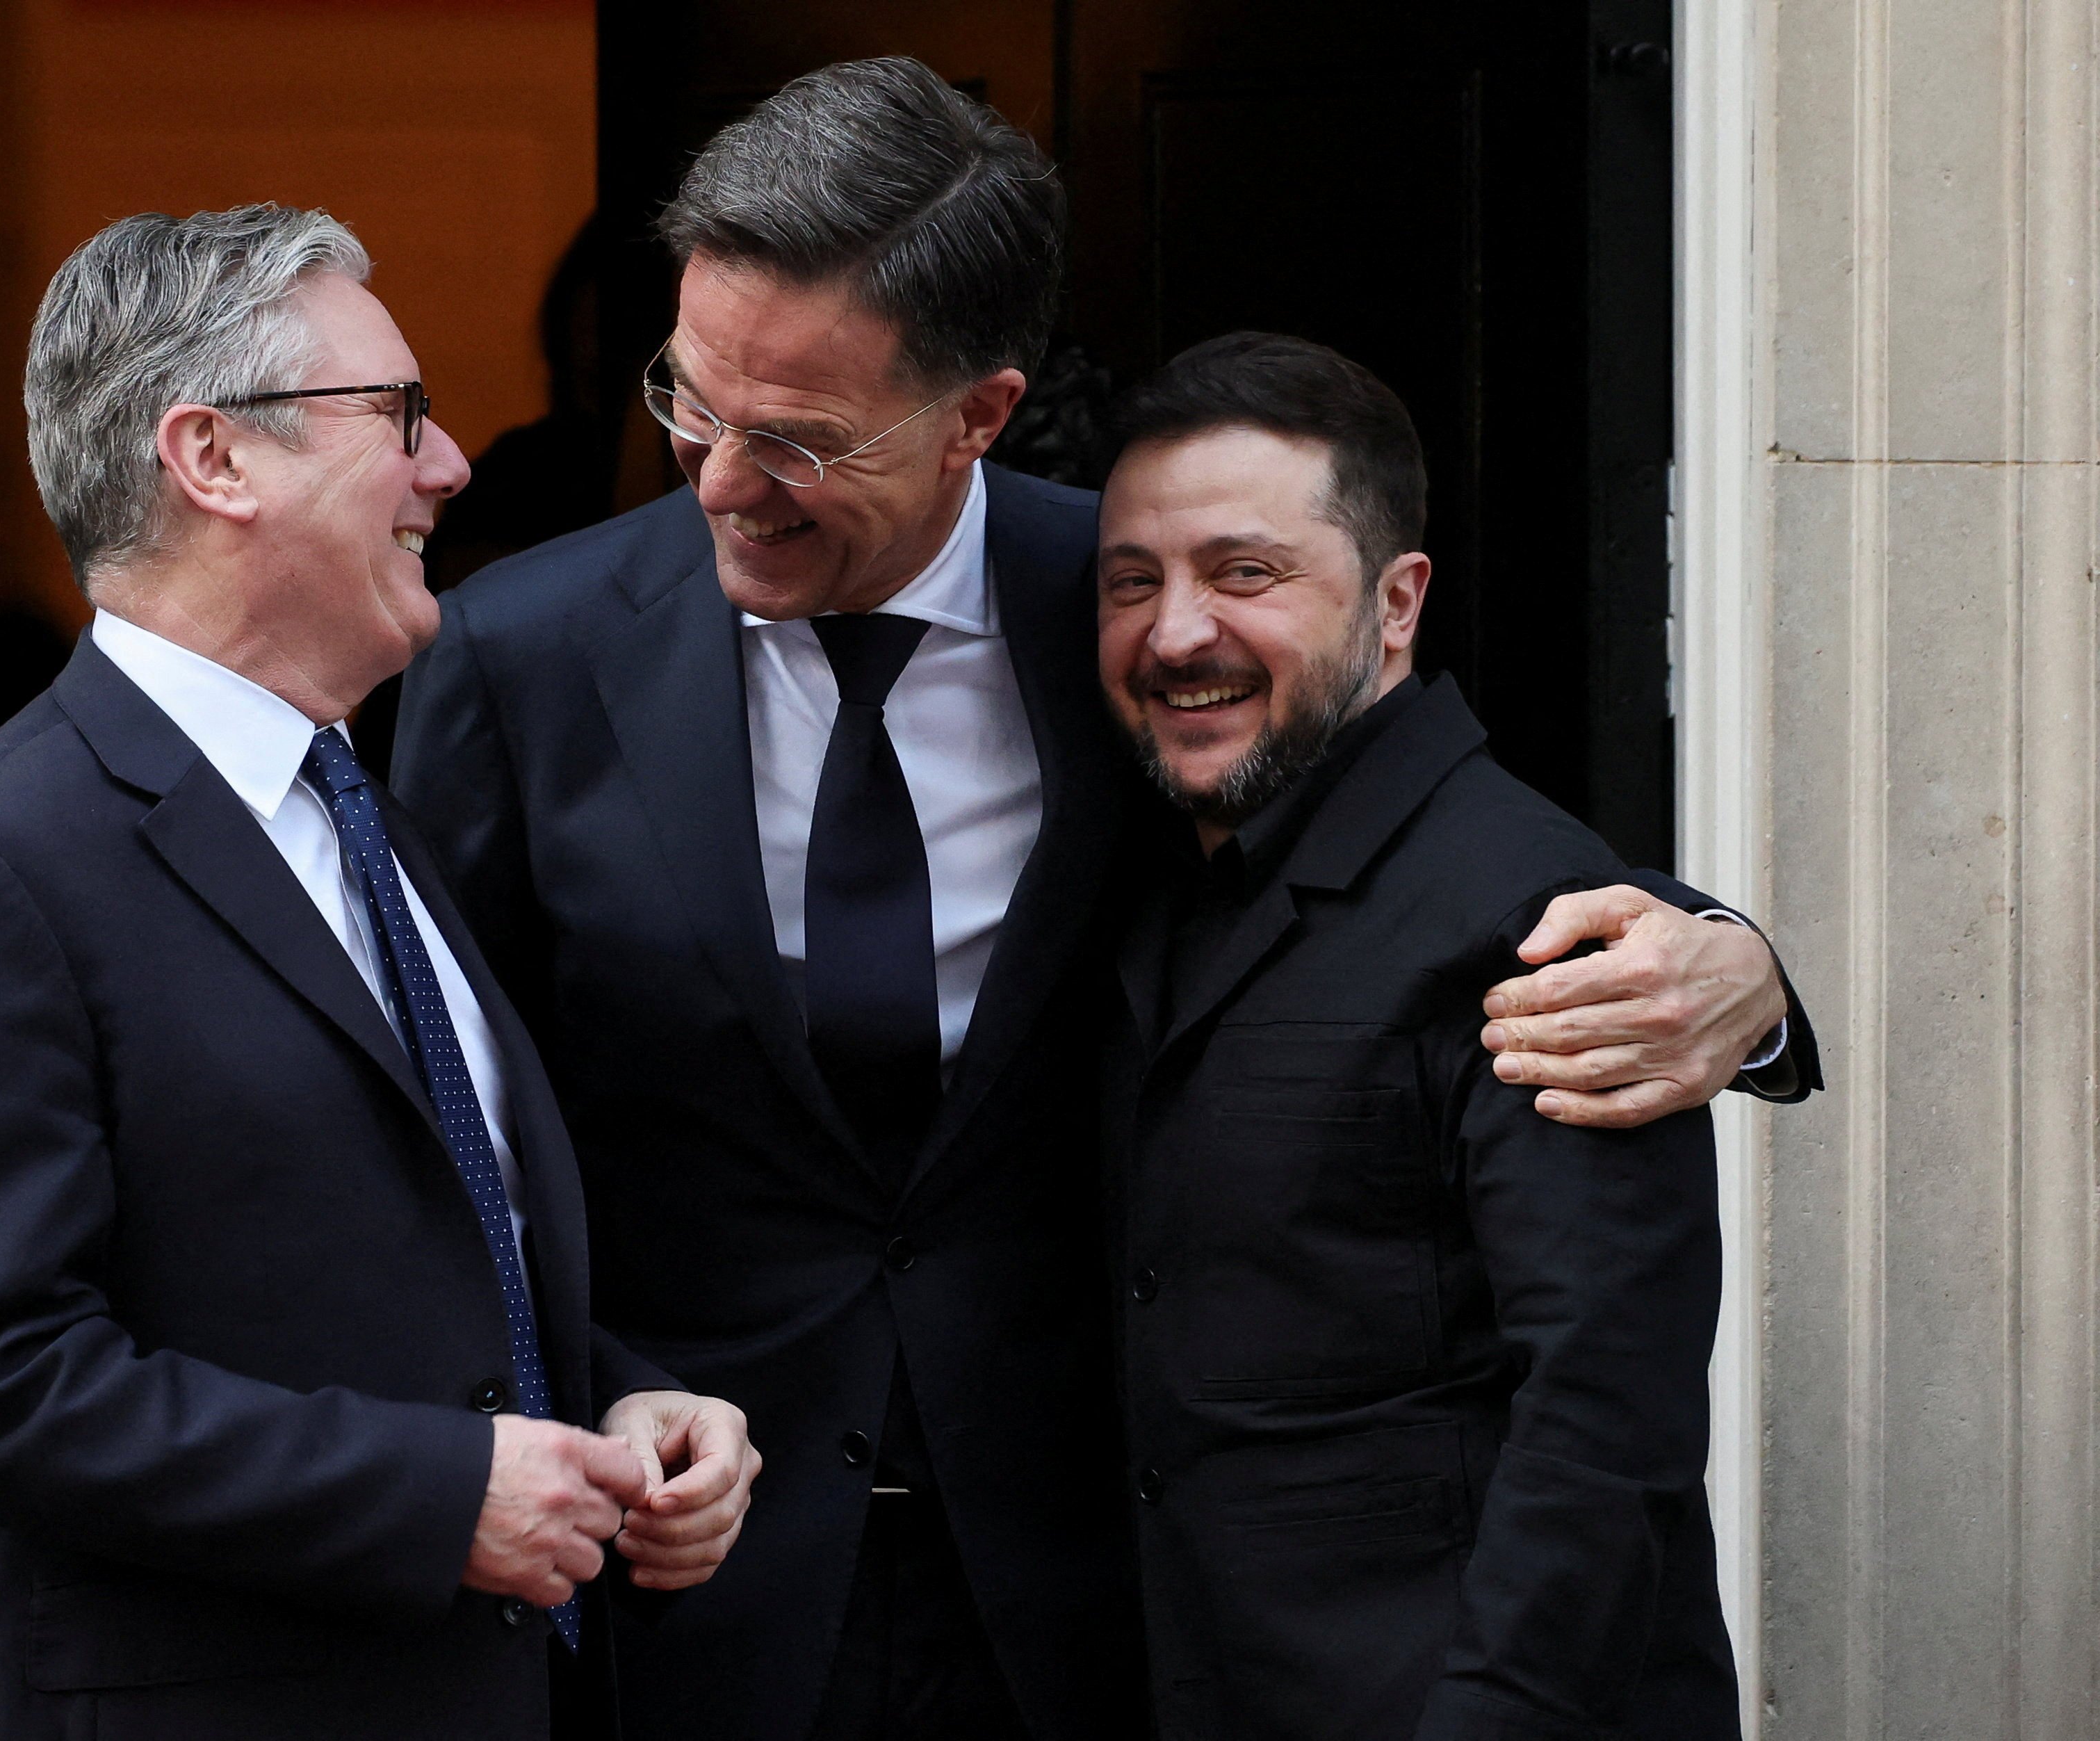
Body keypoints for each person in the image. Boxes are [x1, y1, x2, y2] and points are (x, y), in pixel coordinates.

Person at [391, 59, 1809, 1741]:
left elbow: (1401, 825)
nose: (716, 477)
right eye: (690, 401)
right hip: (690, 1590)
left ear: (976, 416)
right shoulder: (523, 652)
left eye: (798, 439)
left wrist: (1737, 967)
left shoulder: (1132, 604)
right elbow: (432, 1102)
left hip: (1094, 1603)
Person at [0, 204, 758, 1741]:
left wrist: (613, 1407)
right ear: (214, 459)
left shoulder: (356, 816)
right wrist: (442, 1495)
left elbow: (384, 1269)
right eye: (396, 414)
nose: (449, 463)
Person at [1097, 331, 1742, 1739]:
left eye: (1244, 572)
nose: (1175, 630)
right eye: (1132, 580)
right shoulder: (1147, 878)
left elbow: (1601, 1416)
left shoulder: (1540, 922)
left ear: (1395, 604)